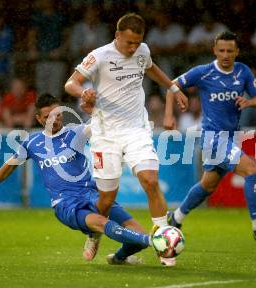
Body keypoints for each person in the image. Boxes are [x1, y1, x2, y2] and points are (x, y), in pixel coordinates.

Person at [0, 94, 152, 265]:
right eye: (47, 117)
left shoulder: (76, 133)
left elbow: (104, 123)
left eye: (57, 114)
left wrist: (99, 108)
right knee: (103, 224)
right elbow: (9, 166)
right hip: (66, 203)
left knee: (138, 234)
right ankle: (152, 241)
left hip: (93, 194)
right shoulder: (32, 142)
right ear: (38, 119)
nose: (53, 120)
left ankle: (119, 257)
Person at [64, 13, 187, 266]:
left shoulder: (142, 50)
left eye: (137, 42)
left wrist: (173, 88)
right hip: (105, 135)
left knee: (150, 181)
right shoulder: (99, 56)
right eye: (128, 42)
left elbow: (151, 68)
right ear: (117, 35)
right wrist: (84, 91)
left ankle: (163, 242)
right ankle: (94, 233)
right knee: (107, 199)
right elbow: (70, 83)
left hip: (136, 130)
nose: (133, 48)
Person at [164, 31, 256, 243]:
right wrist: (169, 115)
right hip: (213, 138)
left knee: (208, 185)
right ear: (214, 51)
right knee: (251, 170)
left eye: (229, 51)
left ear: (237, 52)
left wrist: (249, 102)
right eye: (221, 51)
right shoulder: (204, 72)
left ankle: (176, 217)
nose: (225, 55)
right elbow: (172, 87)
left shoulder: (243, 72)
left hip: (232, 137)